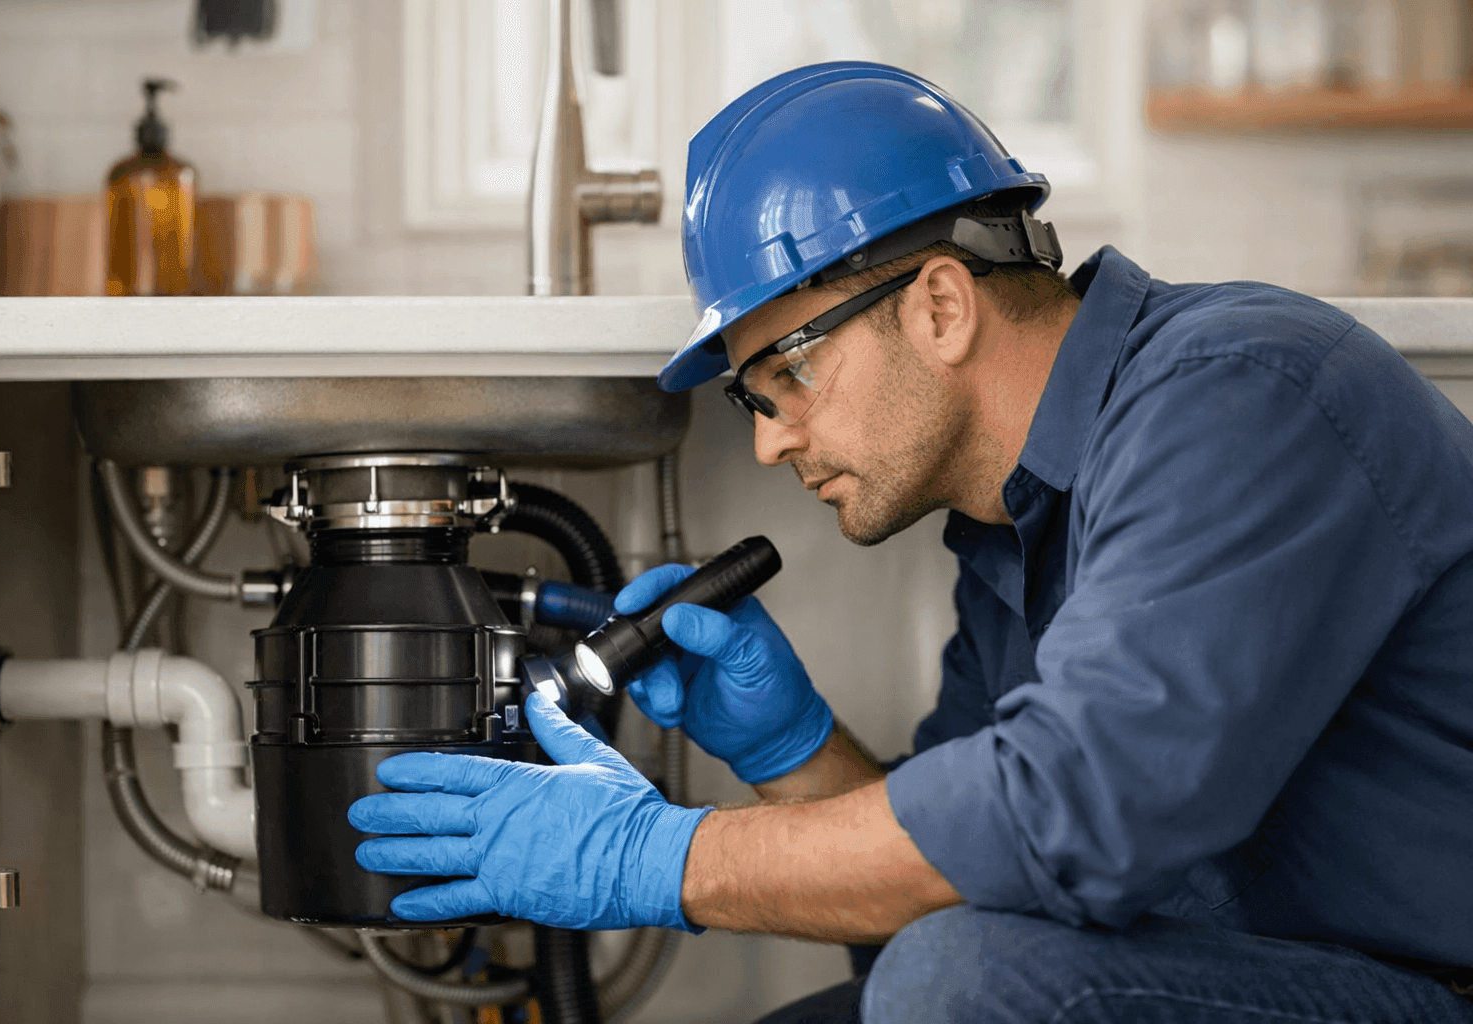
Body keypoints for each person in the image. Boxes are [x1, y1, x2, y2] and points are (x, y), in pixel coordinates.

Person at [349, 62, 1473, 1023]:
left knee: (960, 981)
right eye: (751, 398)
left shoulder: (1238, 398)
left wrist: (657, 858)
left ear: (941, 305)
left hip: (1427, 986)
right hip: (1237, 979)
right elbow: (938, 895)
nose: (770, 440)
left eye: (787, 372)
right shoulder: (1011, 530)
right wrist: (793, 751)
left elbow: (1061, 823)